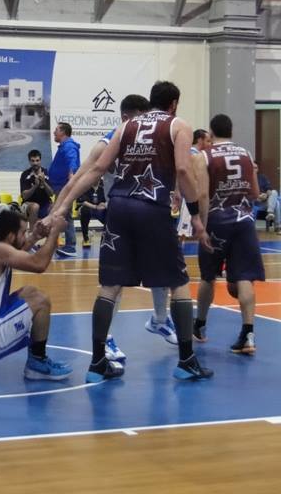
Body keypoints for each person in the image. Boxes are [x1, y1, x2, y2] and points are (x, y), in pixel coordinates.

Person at [47, 81, 213, 383]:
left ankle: (98, 362)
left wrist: (63, 207)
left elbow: (97, 168)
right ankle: (187, 360)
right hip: (152, 209)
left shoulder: (126, 126)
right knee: (178, 283)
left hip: (119, 209)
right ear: (174, 103)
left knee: (110, 285)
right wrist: (196, 215)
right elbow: (183, 169)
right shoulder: (178, 125)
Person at [53, 94, 178, 355]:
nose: (145, 125)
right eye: (140, 119)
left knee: (160, 272)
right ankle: (106, 337)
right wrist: (59, 209)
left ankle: (159, 319)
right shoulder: (108, 143)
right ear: (125, 118)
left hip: (148, 214)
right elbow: (79, 178)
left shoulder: (155, 139)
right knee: (114, 282)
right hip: (119, 218)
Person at [0, 209, 72, 380]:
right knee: (41, 301)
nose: (25, 236)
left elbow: (16, 252)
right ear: (11, 236)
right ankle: (37, 363)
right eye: (23, 232)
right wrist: (55, 232)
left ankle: (36, 360)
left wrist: (34, 236)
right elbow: (39, 264)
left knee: (30, 292)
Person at [193, 114, 265, 354]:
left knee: (208, 276)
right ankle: (248, 334)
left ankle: (200, 325)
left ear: (211, 133)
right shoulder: (246, 154)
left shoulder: (205, 156)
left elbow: (203, 195)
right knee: (244, 277)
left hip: (217, 221)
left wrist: (202, 225)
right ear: (231, 131)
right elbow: (255, 193)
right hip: (244, 221)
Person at [48, 123, 81, 257]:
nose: (54, 132)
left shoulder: (69, 146)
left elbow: (72, 160)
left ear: (63, 132)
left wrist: (71, 175)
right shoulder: (64, 146)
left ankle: (71, 246)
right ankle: (58, 243)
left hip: (64, 187)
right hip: (59, 187)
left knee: (65, 215)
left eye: (56, 130)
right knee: (60, 214)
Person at [176, 129, 212, 239]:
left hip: (190, 198)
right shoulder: (193, 155)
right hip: (189, 198)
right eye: (208, 141)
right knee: (185, 234)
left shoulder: (190, 154)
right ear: (200, 140)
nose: (210, 144)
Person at [20, 149, 54, 230]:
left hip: (45, 204)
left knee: (55, 206)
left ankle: (52, 235)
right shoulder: (25, 174)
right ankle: (32, 233)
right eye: (33, 161)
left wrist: (44, 182)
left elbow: (51, 194)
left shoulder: (47, 173)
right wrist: (35, 186)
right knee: (35, 206)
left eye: (37, 160)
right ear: (29, 161)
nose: (35, 163)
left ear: (40, 160)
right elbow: (24, 196)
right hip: (28, 204)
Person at [76, 179, 106, 247]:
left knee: (108, 213)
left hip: (100, 209)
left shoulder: (102, 188)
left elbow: (106, 200)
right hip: (89, 208)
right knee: (85, 210)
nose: (96, 180)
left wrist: (103, 204)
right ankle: (86, 238)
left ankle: (107, 235)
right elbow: (83, 202)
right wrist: (95, 207)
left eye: (98, 178)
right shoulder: (86, 188)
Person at [253, 164, 281, 233]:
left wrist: (266, 194)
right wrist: (258, 197)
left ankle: (270, 212)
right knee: (277, 203)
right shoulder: (248, 179)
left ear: (258, 169)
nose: (255, 169)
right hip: (255, 202)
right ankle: (278, 226)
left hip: (265, 201)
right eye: (253, 168)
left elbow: (269, 188)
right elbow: (248, 193)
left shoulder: (262, 177)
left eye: (256, 168)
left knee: (274, 192)